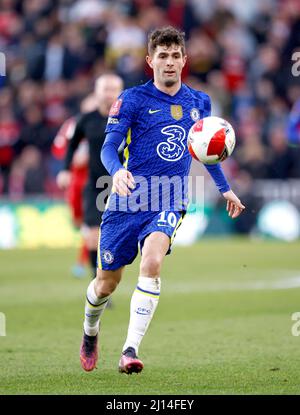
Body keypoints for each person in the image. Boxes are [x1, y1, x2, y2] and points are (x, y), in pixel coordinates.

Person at [79, 27, 245, 374]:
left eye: (175, 56)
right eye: (163, 56)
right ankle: (90, 330)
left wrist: (224, 187)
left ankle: (129, 350)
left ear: (184, 60)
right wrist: (117, 171)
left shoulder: (199, 102)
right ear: (150, 60)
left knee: (152, 261)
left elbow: (204, 151)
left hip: (169, 198)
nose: (169, 62)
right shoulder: (132, 99)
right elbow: (109, 146)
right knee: (105, 284)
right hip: (127, 200)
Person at [56, 73, 124, 279]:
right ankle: (99, 284)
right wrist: (66, 169)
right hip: (96, 185)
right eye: (105, 89)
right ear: (97, 92)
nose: (109, 94)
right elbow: (72, 145)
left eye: (113, 89)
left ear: (121, 93)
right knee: (94, 237)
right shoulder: (86, 120)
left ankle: (112, 278)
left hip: (123, 185)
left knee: (119, 240)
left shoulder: (129, 118)